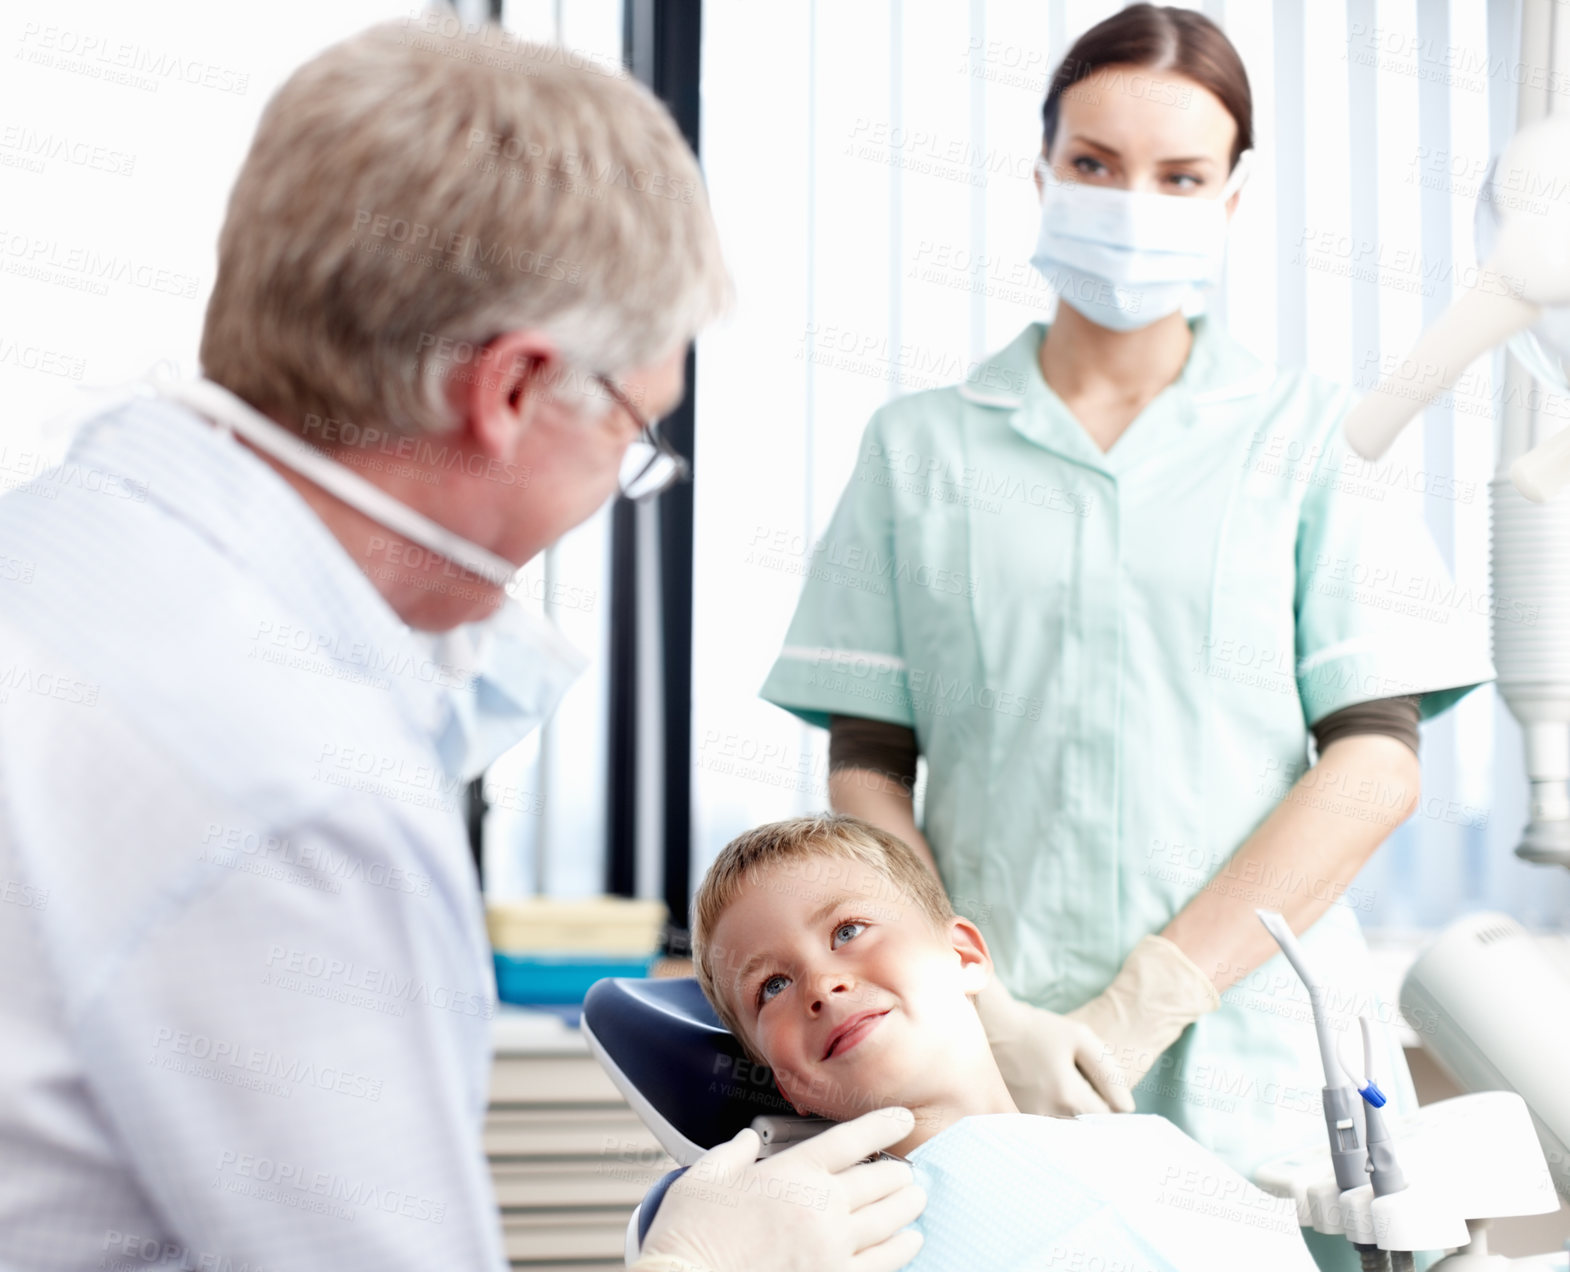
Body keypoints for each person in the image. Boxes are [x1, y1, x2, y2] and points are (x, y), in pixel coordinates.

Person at [0, 23, 922, 1272]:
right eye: (629, 435)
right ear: (510, 392)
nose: (613, 482)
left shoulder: (70, 539)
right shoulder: (301, 791)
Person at [759, 8, 1490, 1270]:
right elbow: (869, 766)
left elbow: (1374, 763)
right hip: (996, 1060)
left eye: (1179, 175)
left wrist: (1146, 1002)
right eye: (1094, 164)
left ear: (1233, 195)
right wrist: (976, 1001)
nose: (1130, 201)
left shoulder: (1315, 438)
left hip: (1266, 1065)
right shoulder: (921, 447)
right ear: (1040, 170)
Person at [691, 814, 1318, 1271]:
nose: (821, 986)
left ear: (963, 955)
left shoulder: (1151, 1148)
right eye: (771, 986)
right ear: (788, 1082)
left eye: (848, 929)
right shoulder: (833, 1247)